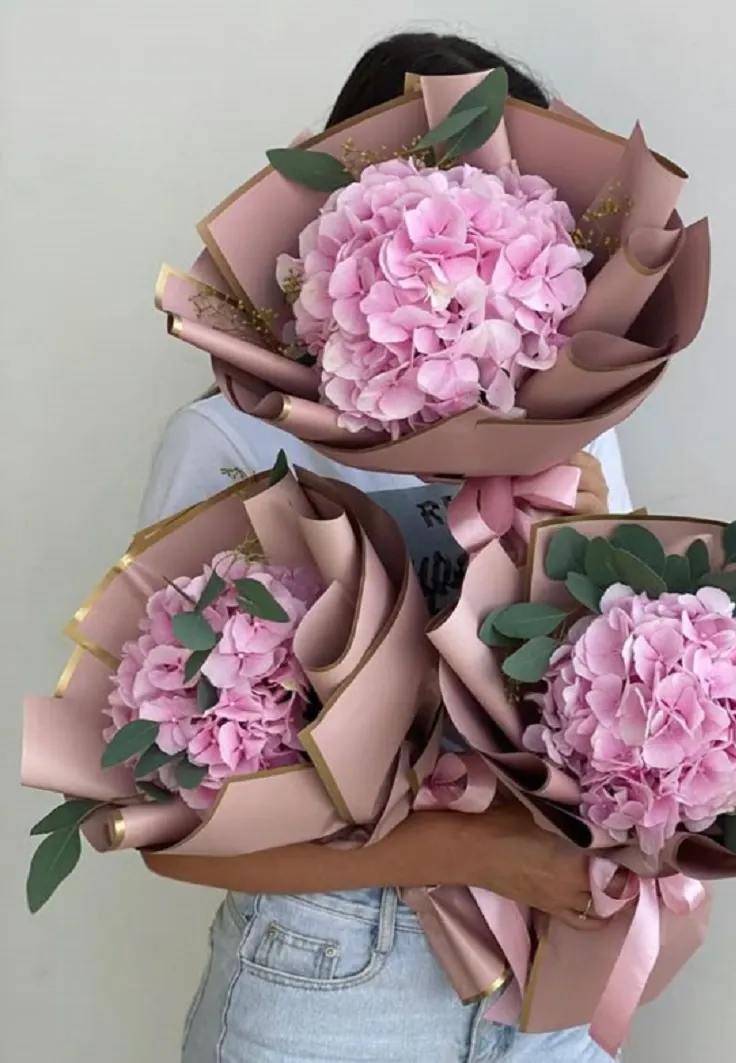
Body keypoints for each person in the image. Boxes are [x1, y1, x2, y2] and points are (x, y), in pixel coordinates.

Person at [142, 32, 631, 1063]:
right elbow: (172, 825)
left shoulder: (573, 439)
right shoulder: (233, 443)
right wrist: (471, 849)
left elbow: (604, 745)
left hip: (547, 968)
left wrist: (588, 564)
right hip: (328, 977)